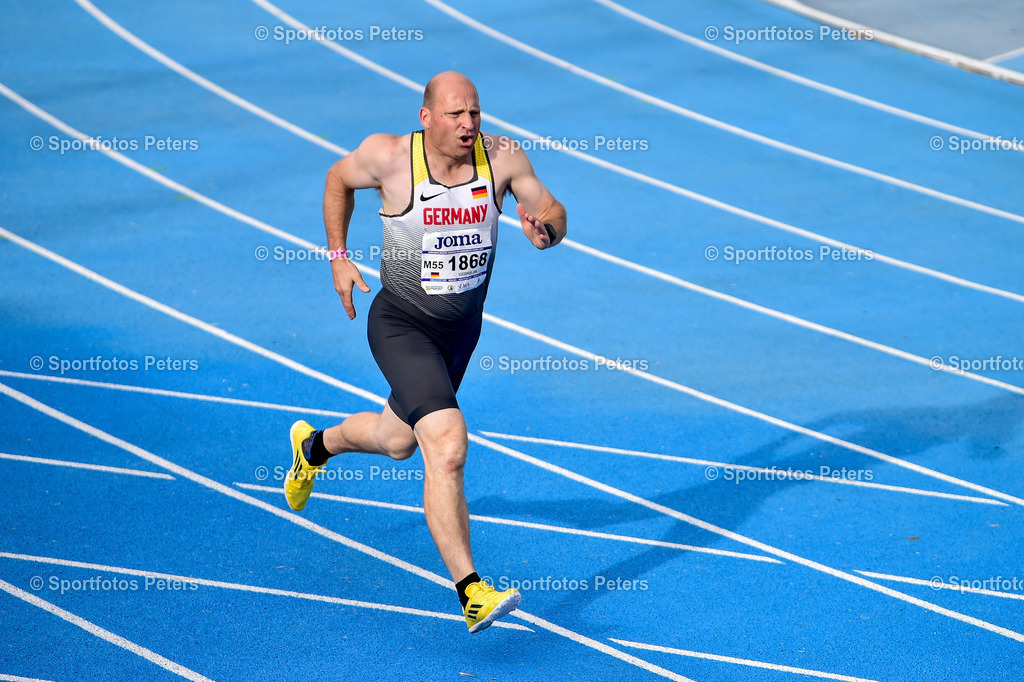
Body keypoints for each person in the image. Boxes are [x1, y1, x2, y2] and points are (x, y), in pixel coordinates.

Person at [284, 71, 566, 633]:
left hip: (460, 333)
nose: (469, 125)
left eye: (476, 114)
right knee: (447, 444)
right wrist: (338, 255)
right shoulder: (387, 157)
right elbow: (336, 181)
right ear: (427, 116)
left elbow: (552, 208)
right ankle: (471, 590)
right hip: (401, 323)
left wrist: (547, 230)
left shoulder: (502, 158)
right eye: (457, 115)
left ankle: (313, 446)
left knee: (397, 440)